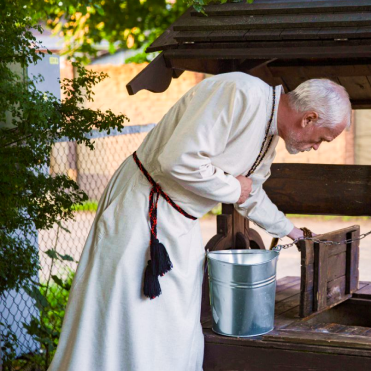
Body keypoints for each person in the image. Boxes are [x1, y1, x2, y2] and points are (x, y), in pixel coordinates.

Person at [48, 72, 352, 371]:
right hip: (143, 211)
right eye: (322, 139)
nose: (316, 147)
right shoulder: (238, 92)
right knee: (129, 316)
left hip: (181, 223)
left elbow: (251, 193)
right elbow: (177, 160)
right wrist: (235, 187)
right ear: (309, 118)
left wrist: (293, 232)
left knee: (176, 324)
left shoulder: (269, 135)